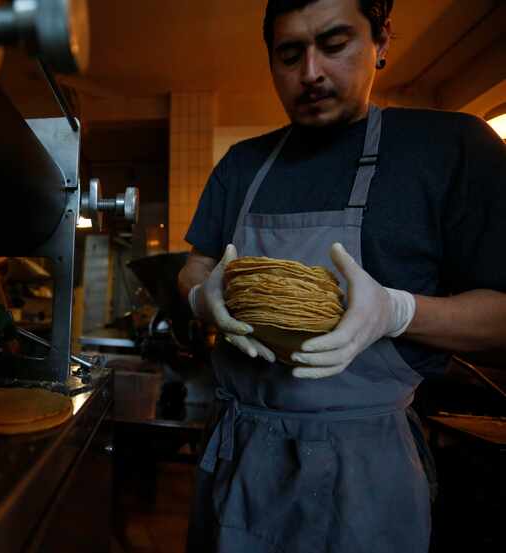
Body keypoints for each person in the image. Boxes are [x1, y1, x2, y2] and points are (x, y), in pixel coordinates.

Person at [178, 0, 506, 551]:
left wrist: (397, 312)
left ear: (381, 42)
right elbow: (198, 263)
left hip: (366, 468)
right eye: (289, 54)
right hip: (240, 452)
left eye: (335, 45)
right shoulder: (242, 164)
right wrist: (199, 297)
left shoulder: (452, 148)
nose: (310, 73)